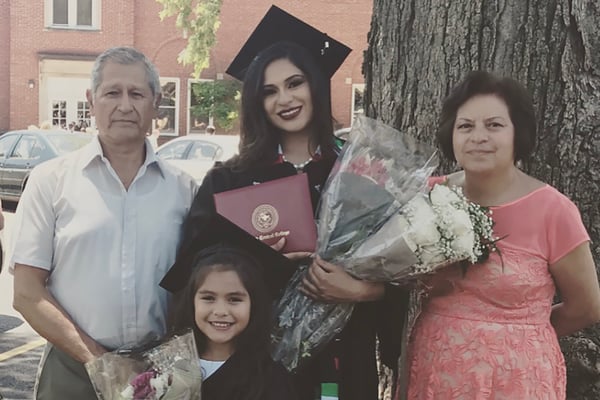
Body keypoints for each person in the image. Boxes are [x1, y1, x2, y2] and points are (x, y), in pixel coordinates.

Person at [163, 6, 407, 400]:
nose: (285, 99)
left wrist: (364, 292)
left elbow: (403, 271)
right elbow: (192, 280)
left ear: (316, 85)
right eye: (269, 91)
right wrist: (259, 262)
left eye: (295, 83)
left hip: (344, 357)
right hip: (255, 368)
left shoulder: (362, 173)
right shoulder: (229, 180)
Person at [397, 71, 600, 399]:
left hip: (519, 379)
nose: (478, 136)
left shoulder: (554, 210)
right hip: (437, 370)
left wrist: (517, 333)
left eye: (494, 125)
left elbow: (587, 306)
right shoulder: (428, 198)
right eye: (465, 126)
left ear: (517, 133)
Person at [11, 46, 197, 400]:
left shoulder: (185, 190)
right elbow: (26, 294)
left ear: (156, 103)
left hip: (160, 373)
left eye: (137, 93)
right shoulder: (50, 181)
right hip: (72, 368)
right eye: (112, 92)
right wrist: (100, 361)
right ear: (91, 100)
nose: (125, 105)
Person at [168, 241, 298, 400]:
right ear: (192, 302)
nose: (221, 311)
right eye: (208, 298)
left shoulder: (270, 379)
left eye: (234, 299)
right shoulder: (167, 368)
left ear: (253, 305)